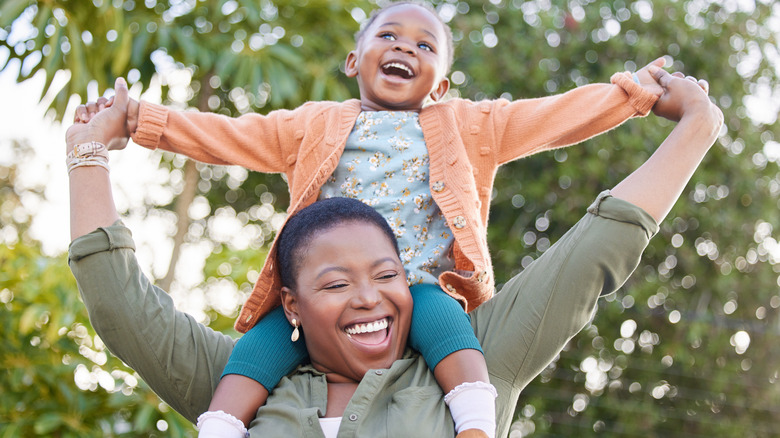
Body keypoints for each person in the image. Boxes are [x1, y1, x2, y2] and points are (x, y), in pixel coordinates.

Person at [75, 3, 671, 435]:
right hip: (322, 299)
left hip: (420, 286)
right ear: (354, 58)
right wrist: (140, 121)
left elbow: (553, 116)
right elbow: (228, 135)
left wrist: (634, 94)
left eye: (426, 45)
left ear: (441, 81)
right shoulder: (311, 124)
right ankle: (221, 428)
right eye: (389, 35)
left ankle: (476, 426)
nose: (406, 48)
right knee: (249, 361)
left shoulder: (469, 126)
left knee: (459, 344)